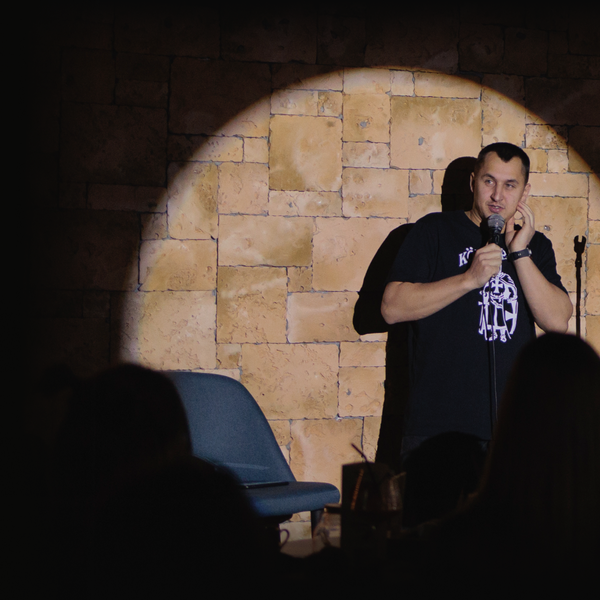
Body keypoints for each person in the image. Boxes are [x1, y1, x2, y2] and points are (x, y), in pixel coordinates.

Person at [381, 142, 572, 450]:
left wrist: (519, 252)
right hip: (437, 428)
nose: (498, 196)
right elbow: (392, 307)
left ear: (524, 192)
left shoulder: (536, 246)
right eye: (489, 181)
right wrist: (469, 279)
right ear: (473, 182)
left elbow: (557, 321)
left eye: (510, 185)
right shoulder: (434, 230)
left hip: (514, 427)